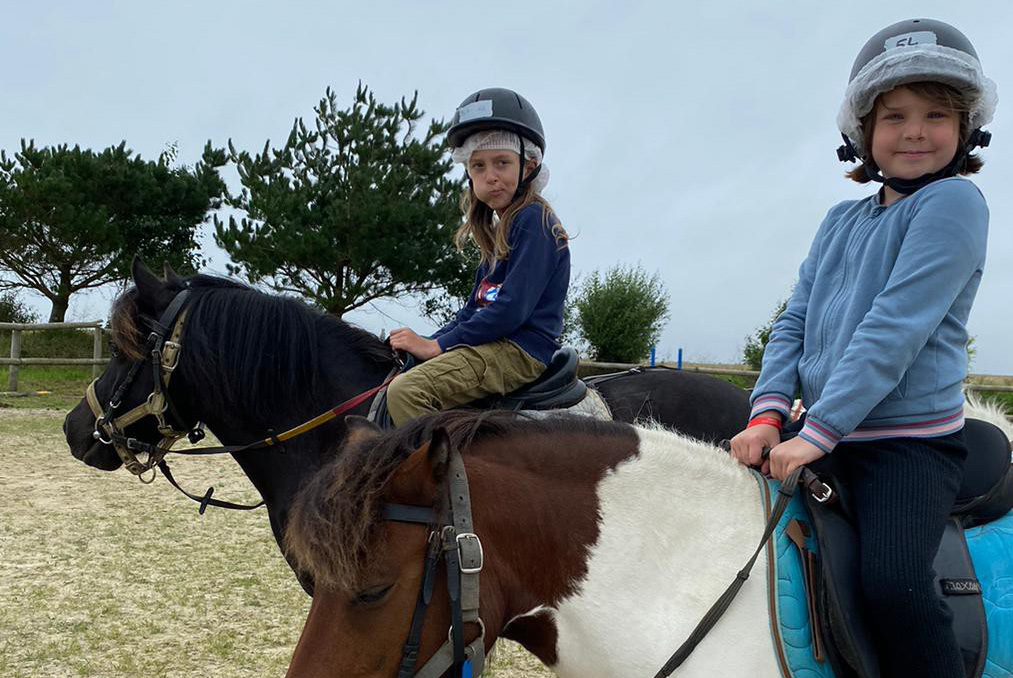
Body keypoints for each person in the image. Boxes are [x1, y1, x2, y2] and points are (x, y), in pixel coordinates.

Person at [730, 18, 995, 677]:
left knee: (894, 585)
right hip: (818, 429)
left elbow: (893, 329)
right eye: (894, 115)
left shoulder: (953, 204)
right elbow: (793, 320)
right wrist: (766, 413)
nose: (913, 131)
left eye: (935, 114)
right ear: (862, 134)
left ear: (964, 130)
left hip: (906, 444)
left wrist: (815, 432)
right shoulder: (839, 220)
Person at [386, 88, 570, 426]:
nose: (490, 176)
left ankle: (446, 478)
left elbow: (511, 309)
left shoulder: (533, 221)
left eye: (502, 163)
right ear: (468, 173)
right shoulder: (499, 235)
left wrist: (439, 348)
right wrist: (429, 343)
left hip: (520, 350)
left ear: (528, 166)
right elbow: (473, 309)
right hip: (495, 343)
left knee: (406, 393)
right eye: (478, 166)